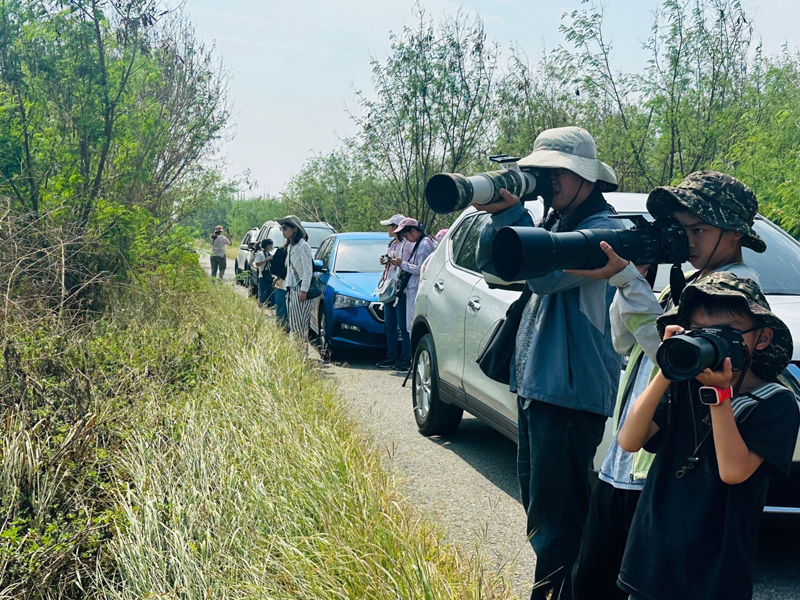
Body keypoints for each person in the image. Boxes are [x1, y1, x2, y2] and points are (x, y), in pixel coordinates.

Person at [568, 172, 764, 600]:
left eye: (700, 229)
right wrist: (633, 276)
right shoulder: (685, 287)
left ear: (734, 234)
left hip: (655, 471)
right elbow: (624, 341)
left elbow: (675, 359)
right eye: (681, 228)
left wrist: (627, 282)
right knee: (590, 583)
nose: (688, 240)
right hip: (623, 462)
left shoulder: (735, 294)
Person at [474, 126, 623, 600]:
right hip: (541, 389)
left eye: (556, 172)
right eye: (539, 172)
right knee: (543, 519)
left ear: (586, 178)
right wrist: (500, 216)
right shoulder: (555, 223)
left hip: (570, 396)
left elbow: (545, 277)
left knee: (558, 526)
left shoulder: (605, 232)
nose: (547, 181)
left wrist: (516, 214)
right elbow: (494, 267)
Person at [616, 273, 797, 600]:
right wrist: (666, 369)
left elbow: (733, 471)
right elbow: (629, 440)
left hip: (716, 571)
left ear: (763, 338)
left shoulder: (776, 401)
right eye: (699, 332)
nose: (710, 342)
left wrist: (720, 395)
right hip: (652, 557)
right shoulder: (683, 385)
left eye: (725, 334)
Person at [390, 217, 436, 372]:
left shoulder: (424, 245)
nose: (406, 239)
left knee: (412, 324)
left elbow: (420, 269)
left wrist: (401, 264)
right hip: (411, 288)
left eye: (406, 235)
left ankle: (413, 360)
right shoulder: (421, 243)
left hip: (417, 288)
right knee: (409, 324)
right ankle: (412, 359)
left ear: (414, 231)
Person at [375, 214, 411, 370]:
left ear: (397, 228)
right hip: (389, 286)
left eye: (390, 226)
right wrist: (386, 260)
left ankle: (406, 357)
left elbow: (406, 265)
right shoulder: (391, 244)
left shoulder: (407, 245)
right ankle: (391, 355)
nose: (388, 229)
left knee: (403, 324)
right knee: (390, 323)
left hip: (401, 289)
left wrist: (395, 261)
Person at [280, 215, 314, 341]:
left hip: (300, 290)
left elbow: (307, 270)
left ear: (294, 229)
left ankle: (301, 355)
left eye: (285, 228)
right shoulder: (290, 247)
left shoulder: (302, 245)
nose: (283, 231)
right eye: (281, 229)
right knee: (294, 325)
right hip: (291, 289)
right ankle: (298, 353)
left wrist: (304, 289)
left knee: (299, 326)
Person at [271, 240, 289, 326]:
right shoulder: (282, 251)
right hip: (282, 285)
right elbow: (274, 267)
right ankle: (280, 331)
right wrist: (278, 277)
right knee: (281, 310)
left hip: (294, 288)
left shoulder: (301, 250)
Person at [254, 238, 274, 306]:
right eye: (271, 245)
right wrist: (266, 260)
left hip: (270, 275)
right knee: (263, 292)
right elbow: (257, 264)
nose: (272, 246)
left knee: (271, 291)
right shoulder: (260, 254)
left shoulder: (270, 254)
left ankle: (270, 306)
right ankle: (261, 305)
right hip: (262, 275)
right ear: (268, 245)